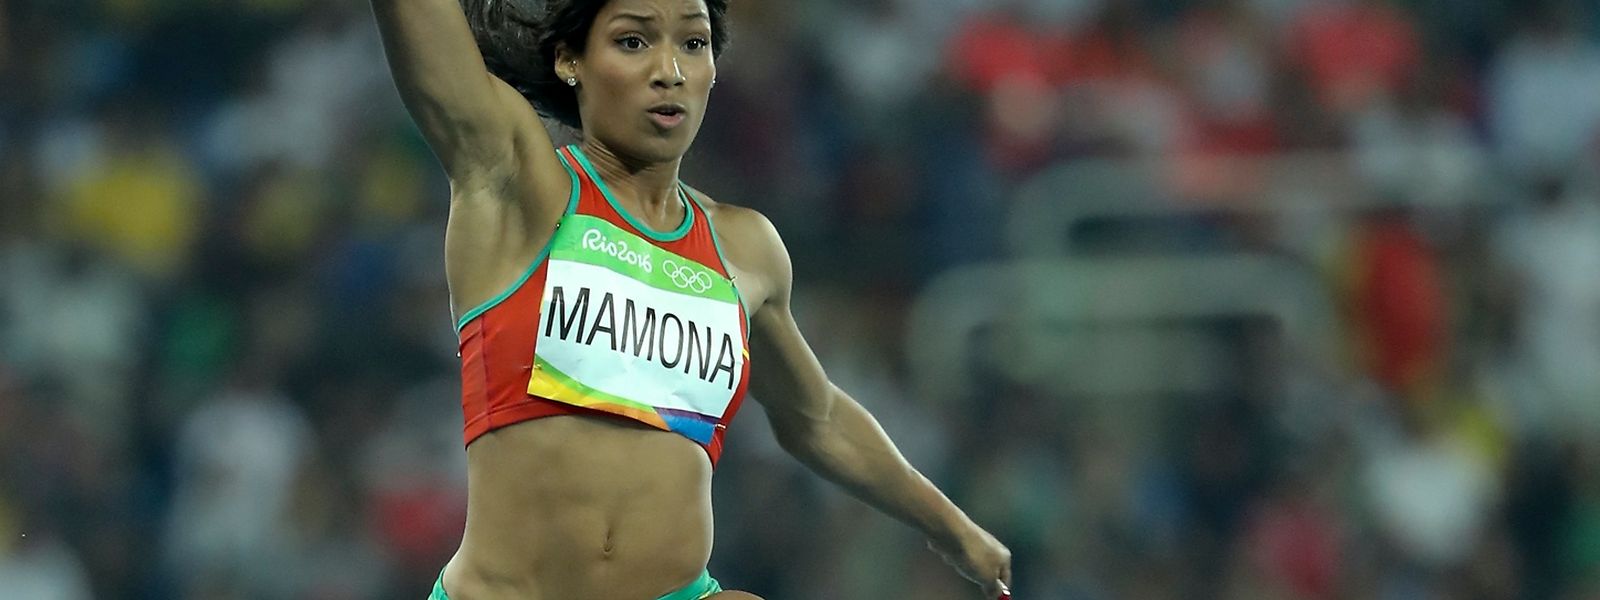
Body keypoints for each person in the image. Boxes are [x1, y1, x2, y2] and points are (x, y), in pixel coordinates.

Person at [369, 0, 1013, 598]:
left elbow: (815, 419)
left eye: (693, 43)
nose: (669, 71)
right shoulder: (514, 178)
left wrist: (954, 529)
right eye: (633, 41)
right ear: (570, 60)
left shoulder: (745, 249)